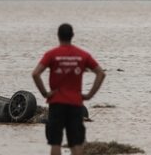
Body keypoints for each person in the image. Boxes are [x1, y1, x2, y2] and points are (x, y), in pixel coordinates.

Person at [32, 23, 106, 155]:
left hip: (56, 102)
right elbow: (100, 73)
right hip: (76, 104)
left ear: (58, 36)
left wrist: (45, 93)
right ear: (72, 36)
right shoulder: (83, 55)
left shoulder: (51, 54)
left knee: (55, 143)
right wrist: (89, 95)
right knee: (76, 143)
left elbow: (36, 73)